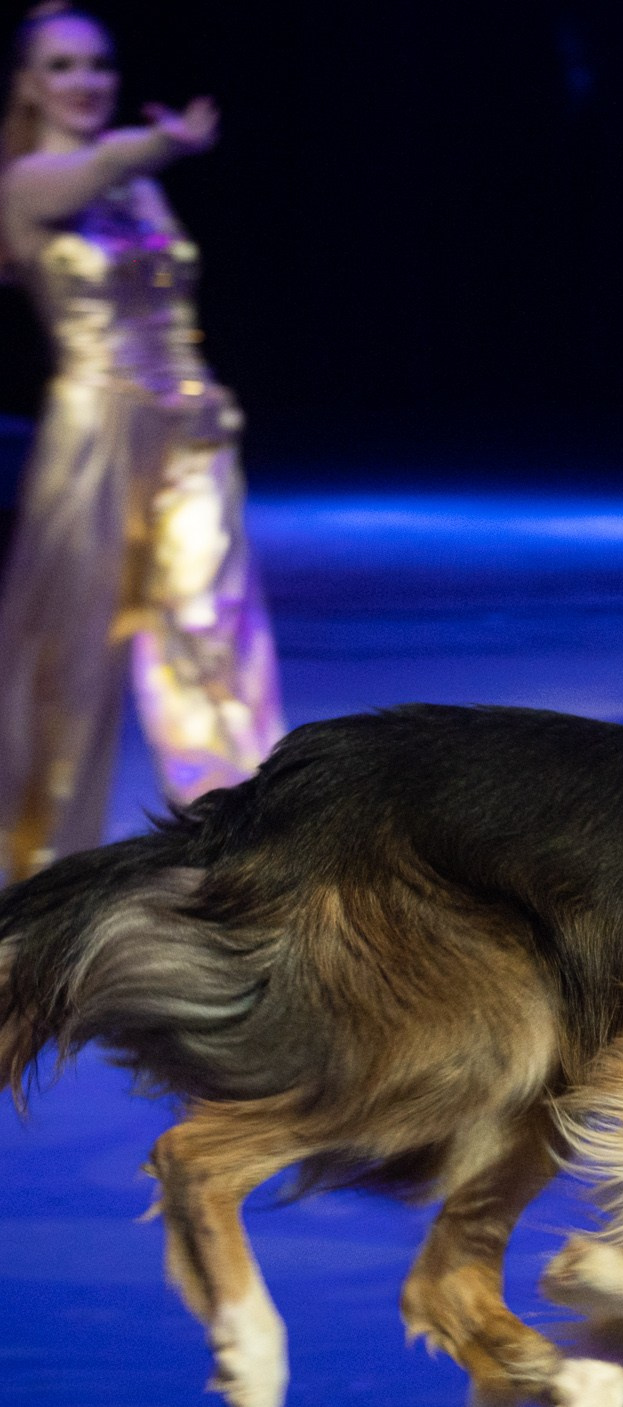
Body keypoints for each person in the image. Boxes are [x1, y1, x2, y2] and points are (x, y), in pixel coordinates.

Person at [0, 2, 280, 883]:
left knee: (214, 637)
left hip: (191, 431)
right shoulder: (32, 180)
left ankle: (241, 867)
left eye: (99, 65)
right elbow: (103, 164)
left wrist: (201, 386)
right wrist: (169, 142)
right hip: (97, 439)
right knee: (69, 670)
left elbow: (169, 293)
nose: (86, 83)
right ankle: (41, 882)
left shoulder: (135, 179)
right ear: (27, 84)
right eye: (63, 67)